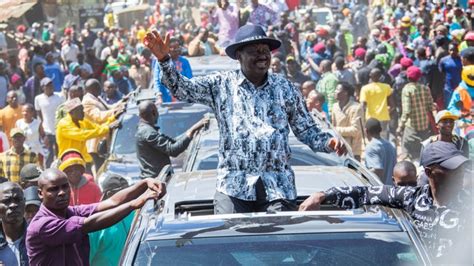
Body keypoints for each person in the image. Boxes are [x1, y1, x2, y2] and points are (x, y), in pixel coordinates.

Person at [144, 24, 346, 214]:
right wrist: (164, 61)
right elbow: (183, 89)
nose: (262, 56)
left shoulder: (286, 88)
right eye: (254, 51)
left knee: (280, 243)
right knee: (230, 240)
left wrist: (328, 142)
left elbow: (306, 129)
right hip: (233, 185)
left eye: (265, 50)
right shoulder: (220, 85)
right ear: (239, 55)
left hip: (277, 186)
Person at [299, 141, 472, 263]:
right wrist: (322, 195)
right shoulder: (412, 198)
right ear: (429, 172)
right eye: (450, 169)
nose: (459, 173)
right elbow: (366, 193)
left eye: (461, 168)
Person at [26, 168, 166, 265]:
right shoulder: (42, 225)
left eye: (65, 187)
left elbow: (112, 201)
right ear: (40, 193)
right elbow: (88, 224)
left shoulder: (69, 212)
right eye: (53, 189)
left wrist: (144, 183)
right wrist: (133, 204)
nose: (62, 193)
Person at [136, 101, 207, 179]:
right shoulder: (148, 132)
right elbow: (173, 150)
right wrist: (191, 131)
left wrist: (191, 131)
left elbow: (172, 142)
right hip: (156, 181)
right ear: (154, 112)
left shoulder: (145, 129)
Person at [56, 98, 119, 172]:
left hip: (83, 161)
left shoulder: (82, 121)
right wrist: (107, 128)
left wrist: (114, 117)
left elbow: (98, 128)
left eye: (82, 109)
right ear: (71, 113)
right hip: (68, 162)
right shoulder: (64, 124)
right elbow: (82, 135)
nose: (83, 112)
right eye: (80, 111)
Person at [88, 175, 134, 266]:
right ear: (109, 194)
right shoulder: (97, 222)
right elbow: (86, 257)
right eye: (122, 192)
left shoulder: (135, 214)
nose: (127, 195)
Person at [82, 79, 125, 170]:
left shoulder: (97, 98)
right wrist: (115, 112)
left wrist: (122, 101)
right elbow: (99, 116)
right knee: (100, 168)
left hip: (103, 137)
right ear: (93, 89)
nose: (101, 90)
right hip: (95, 141)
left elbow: (108, 107)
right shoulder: (87, 101)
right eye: (98, 88)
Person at [397, 66, 434, 161]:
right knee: (422, 152)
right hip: (425, 126)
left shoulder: (407, 89)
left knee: (407, 151)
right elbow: (431, 106)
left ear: (408, 77)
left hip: (412, 128)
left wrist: (400, 126)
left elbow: (407, 111)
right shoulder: (425, 88)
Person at [35, 77, 64, 167]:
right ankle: (47, 173)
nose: (50, 87)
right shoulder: (38, 99)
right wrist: (43, 131)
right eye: (47, 85)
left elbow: (63, 113)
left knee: (60, 153)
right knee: (48, 155)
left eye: (51, 84)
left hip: (59, 129)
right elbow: (39, 115)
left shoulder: (60, 96)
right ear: (43, 87)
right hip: (47, 131)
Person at [331, 83, 363, 161]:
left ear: (345, 93)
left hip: (352, 150)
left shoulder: (356, 108)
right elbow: (333, 125)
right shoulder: (335, 107)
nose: (335, 91)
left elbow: (356, 130)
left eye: (337, 90)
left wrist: (335, 130)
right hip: (338, 149)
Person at [360, 68, 394, 140]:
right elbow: (392, 105)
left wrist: (363, 121)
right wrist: (387, 111)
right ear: (380, 76)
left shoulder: (365, 89)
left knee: (372, 140)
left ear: (370, 76)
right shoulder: (386, 87)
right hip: (383, 117)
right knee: (384, 139)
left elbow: (363, 105)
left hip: (370, 118)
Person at [0, 182, 28, 265]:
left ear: (25, 202)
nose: (13, 205)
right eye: (6, 201)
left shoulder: (38, 238)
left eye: (18, 200)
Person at [363, 118, 397, 185]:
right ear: (380, 130)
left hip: (379, 190)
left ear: (366, 131)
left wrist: (363, 173)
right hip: (392, 189)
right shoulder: (391, 145)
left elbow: (377, 170)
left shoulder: (371, 147)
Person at [439, 43, 463, 108]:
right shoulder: (443, 60)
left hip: (460, 87)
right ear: (448, 50)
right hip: (448, 88)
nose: (452, 52)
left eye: (454, 50)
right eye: (451, 50)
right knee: (449, 105)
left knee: (460, 106)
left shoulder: (462, 60)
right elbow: (441, 73)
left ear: (457, 50)